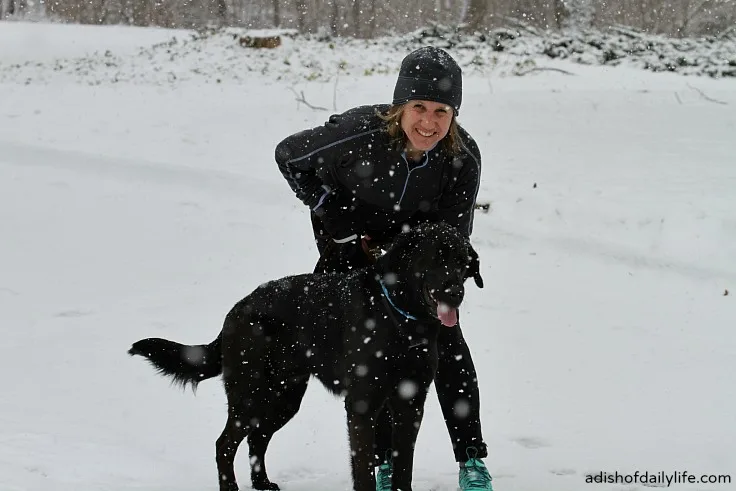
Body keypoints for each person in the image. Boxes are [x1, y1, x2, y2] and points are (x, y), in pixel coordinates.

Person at [275, 46, 493, 491]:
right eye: (418, 107)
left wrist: (434, 283)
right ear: (400, 106)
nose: (429, 123)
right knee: (367, 359)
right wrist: (332, 211)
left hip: (416, 267)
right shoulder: (358, 133)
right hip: (348, 255)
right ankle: (383, 462)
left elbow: (452, 240)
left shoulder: (462, 159)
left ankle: (471, 458)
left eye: (441, 111)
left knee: (446, 344)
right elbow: (288, 155)